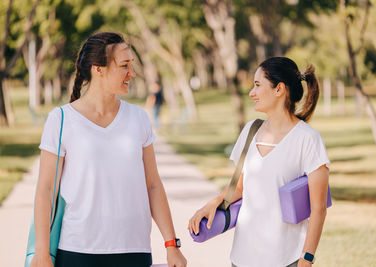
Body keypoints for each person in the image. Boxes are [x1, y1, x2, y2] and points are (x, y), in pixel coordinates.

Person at [30, 32, 187, 267]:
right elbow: (46, 190)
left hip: (133, 250)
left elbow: (153, 184)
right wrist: (42, 253)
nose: (131, 73)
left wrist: (171, 244)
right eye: (124, 65)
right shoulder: (61, 120)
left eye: (131, 65)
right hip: (77, 250)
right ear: (98, 69)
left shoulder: (138, 118)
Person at [189, 57, 330, 267]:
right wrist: (212, 204)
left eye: (257, 85)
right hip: (243, 257)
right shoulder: (250, 130)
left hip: (287, 258)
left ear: (279, 89)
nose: (251, 93)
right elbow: (239, 187)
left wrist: (306, 259)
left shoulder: (308, 139)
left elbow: (318, 208)